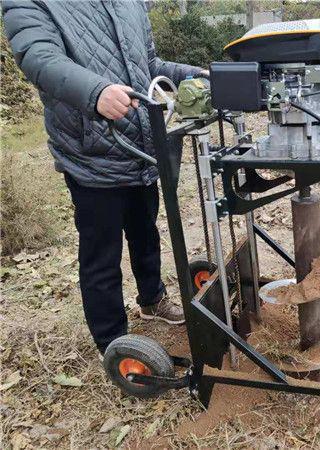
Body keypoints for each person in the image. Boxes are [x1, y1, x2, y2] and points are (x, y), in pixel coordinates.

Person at [3, 1, 207, 353]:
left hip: (142, 146)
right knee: (102, 252)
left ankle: (152, 299)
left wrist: (197, 75)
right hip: (91, 152)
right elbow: (40, 59)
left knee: (145, 231)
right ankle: (113, 341)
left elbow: (150, 65)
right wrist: (95, 92)